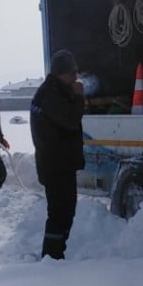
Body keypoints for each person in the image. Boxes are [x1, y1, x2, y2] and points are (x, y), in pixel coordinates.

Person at [30, 50, 85, 260]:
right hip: (55, 165)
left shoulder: (54, 92)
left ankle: (55, 254)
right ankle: (51, 257)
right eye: (72, 73)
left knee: (65, 211)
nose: (75, 78)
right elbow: (70, 121)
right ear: (61, 74)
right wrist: (79, 97)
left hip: (59, 163)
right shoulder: (49, 96)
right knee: (59, 213)